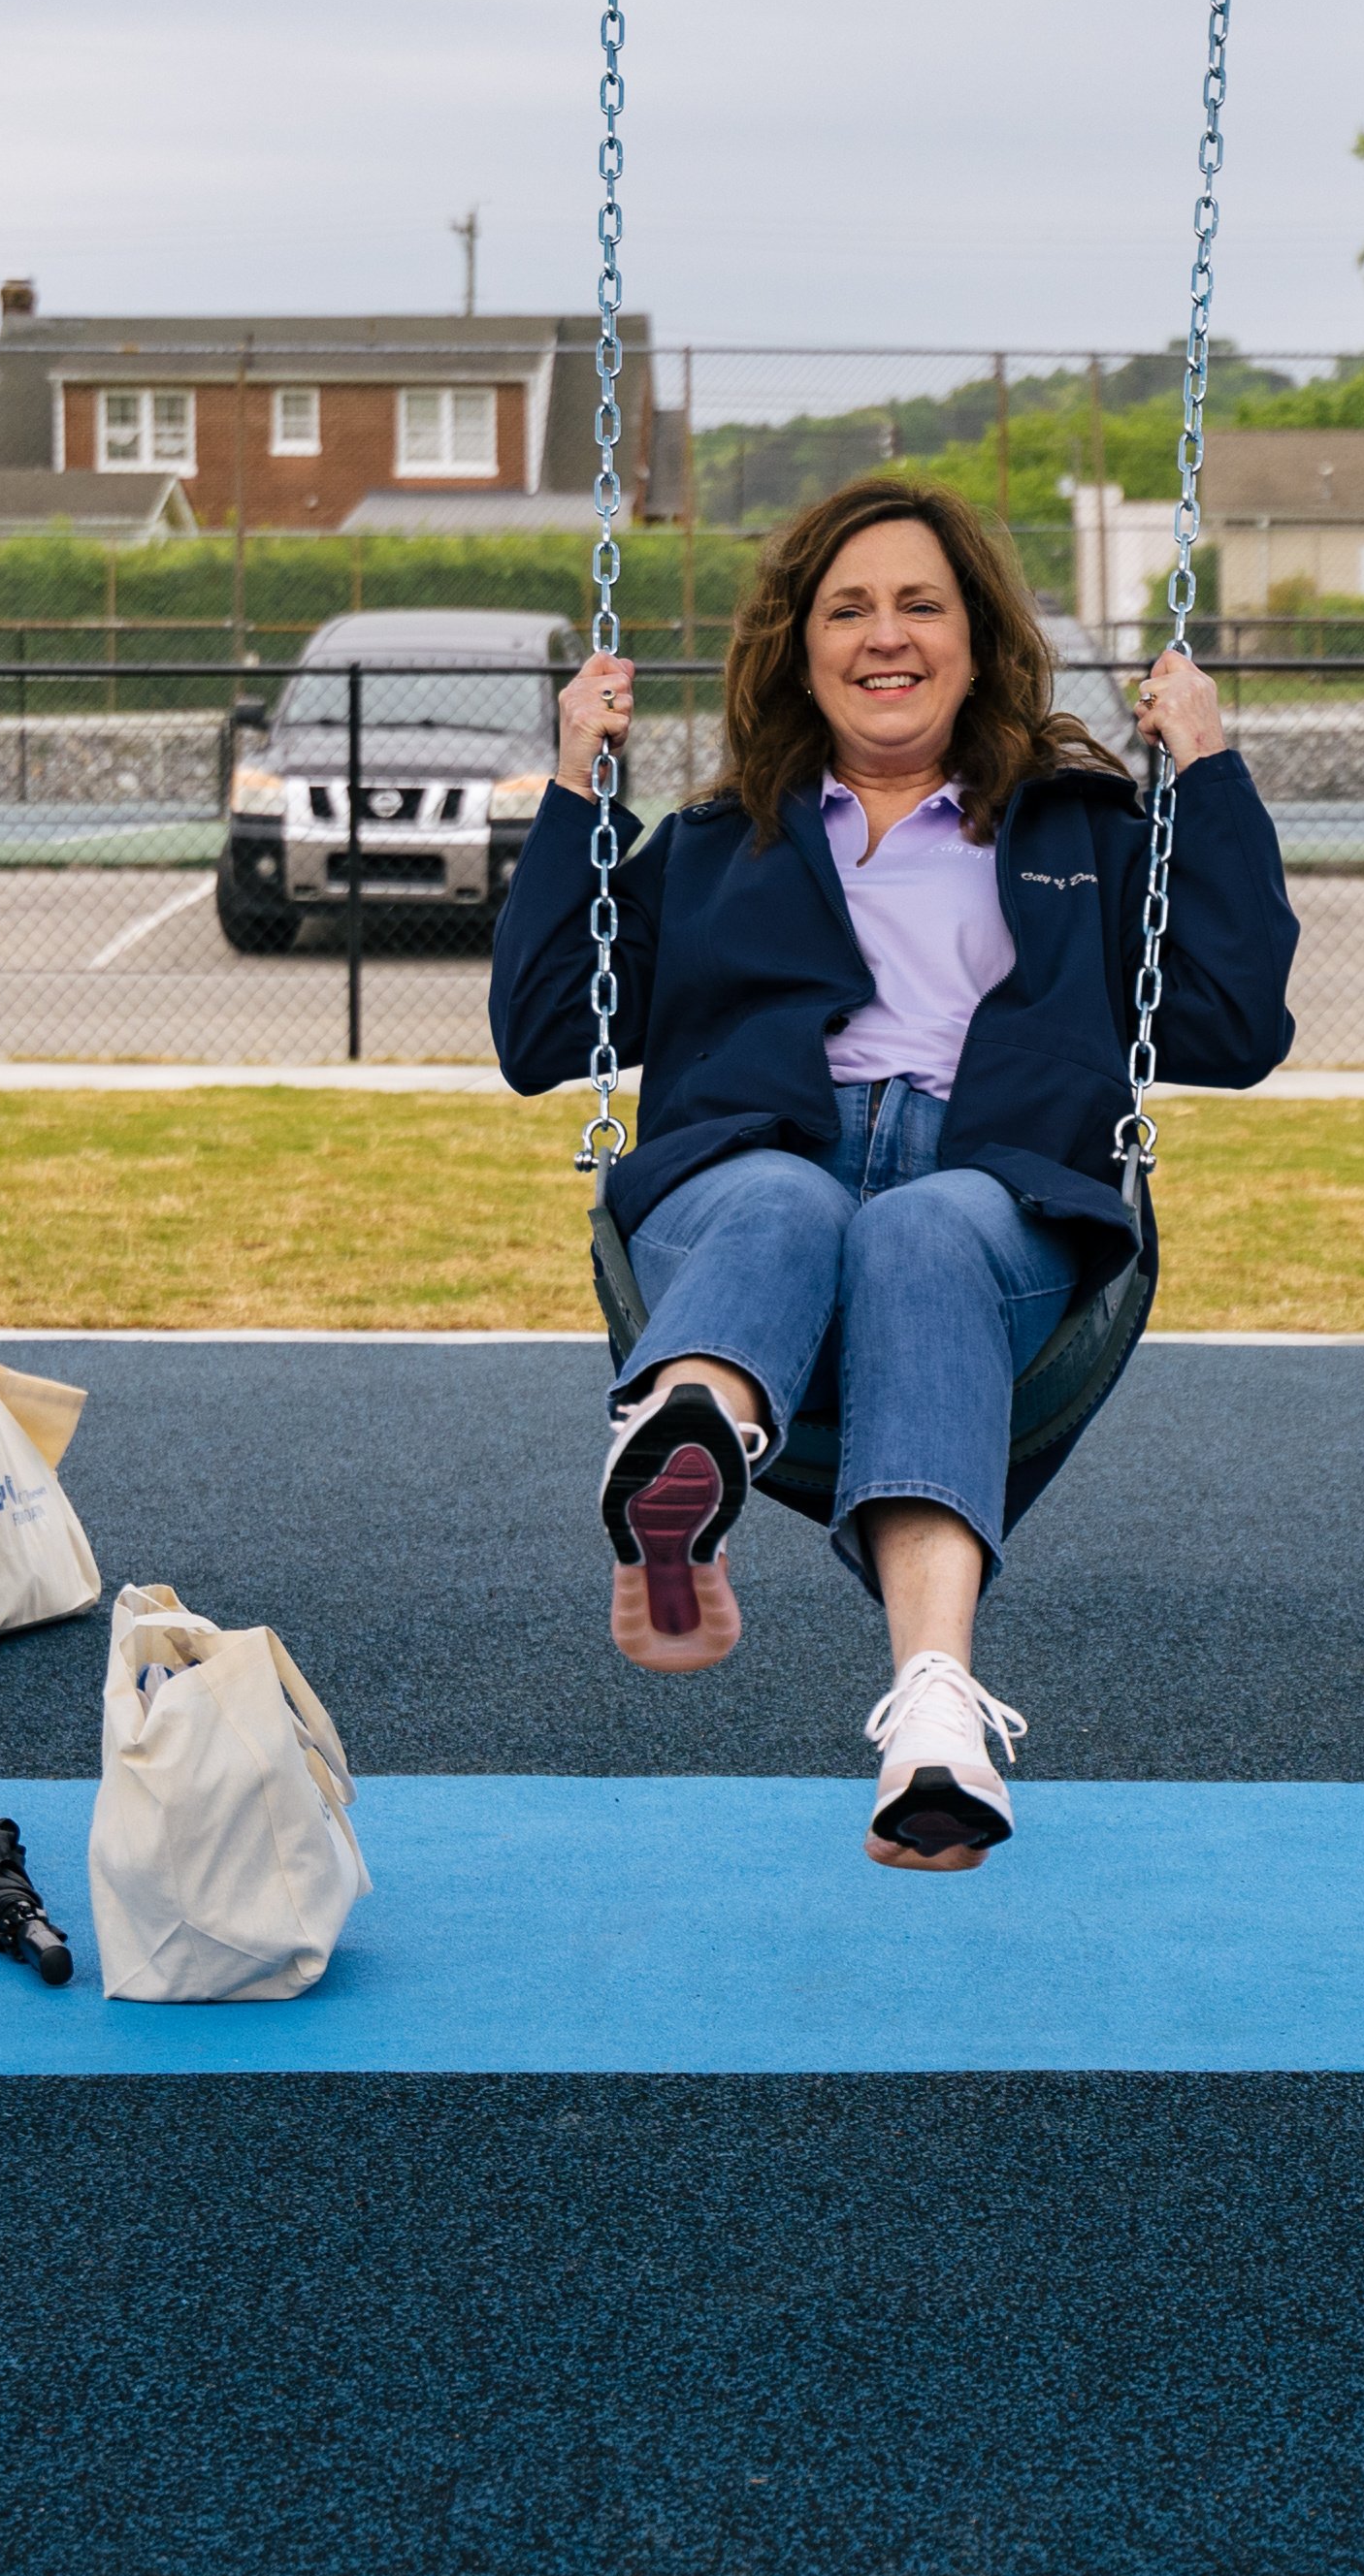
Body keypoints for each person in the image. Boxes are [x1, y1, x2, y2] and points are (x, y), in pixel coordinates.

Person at [491, 472, 1295, 1868]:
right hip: (757, 1158)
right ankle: (689, 1448)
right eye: (849, 608)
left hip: (991, 1188)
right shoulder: (713, 844)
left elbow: (1232, 1023)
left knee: (922, 1231)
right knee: (787, 1197)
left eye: (922, 604)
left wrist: (1207, 768)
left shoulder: (1082, 838)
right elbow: (541, 1023)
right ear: (800, 648)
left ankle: (933, 1713)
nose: (886, 635)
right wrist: (577, 782)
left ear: (977, 639)